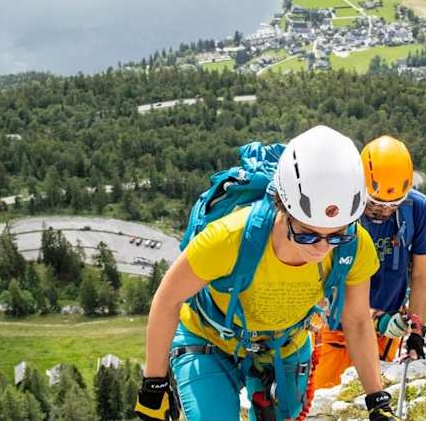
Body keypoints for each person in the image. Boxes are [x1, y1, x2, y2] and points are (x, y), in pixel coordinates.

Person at [134, 125, 397, 421]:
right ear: (282, 208)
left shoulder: (355, 246)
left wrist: (377, 398)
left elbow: (358, 321)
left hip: (285, 344)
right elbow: (168, 299)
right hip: (209, 340)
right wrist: (154, 384)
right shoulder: (230, 238)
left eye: (336, 235)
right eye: (308, 235)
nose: (322, 249)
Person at [312, 135, 426, 391]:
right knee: (321, 404)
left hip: (384, 334)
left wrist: (416, 329)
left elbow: (423, 275)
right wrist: (377, 319)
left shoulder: (417, 208)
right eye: (376, 203)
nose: (384, 211)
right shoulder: (338, 209)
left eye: (393, 205)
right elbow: (319, 280)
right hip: (333, 330)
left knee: (367, 404)